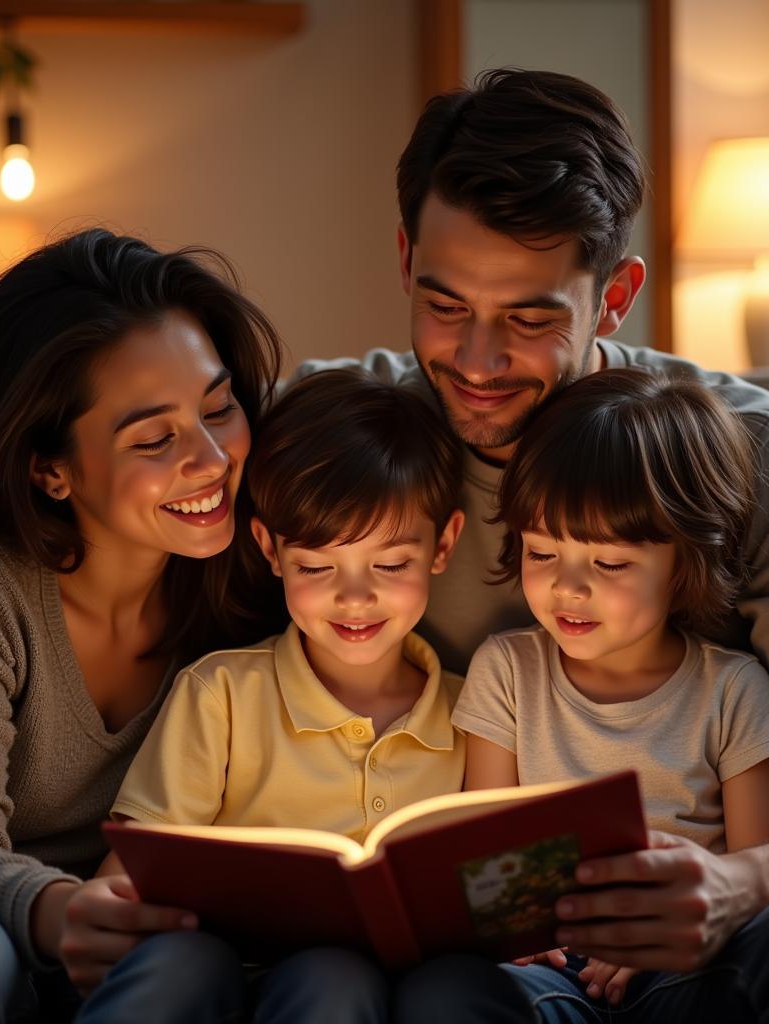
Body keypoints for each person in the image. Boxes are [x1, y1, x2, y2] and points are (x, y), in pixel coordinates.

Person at [0, 68, 769, 1021]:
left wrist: (744, 879)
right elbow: (111, 482)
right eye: (443, 304)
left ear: (613, 295)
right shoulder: (331, 438)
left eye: (526, 318)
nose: (475, 361)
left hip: (696, 927)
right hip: (451, 967)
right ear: (403, 259)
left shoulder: (756, 456)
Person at [0, 227, 288, 1022]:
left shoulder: (255, 572)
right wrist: (63, 912)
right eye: (155, 438)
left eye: (219, 408)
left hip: (106, 956)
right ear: (48, 468)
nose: (212, 458)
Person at [97, 367, 467, 1020]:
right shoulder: (222, 695)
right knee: (326, 979)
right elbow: (134, 866)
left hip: (402, 984)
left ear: (444, 544)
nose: (355, 597)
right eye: (317, 567)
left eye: (390, 564)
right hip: (234, 974)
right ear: (270, 548)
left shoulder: (480, 712)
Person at [452, 368, 769, 1009]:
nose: (567, 587)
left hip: (682, 954)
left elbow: (754, 883)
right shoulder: (506, 671)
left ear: (684, 562)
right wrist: (513, 930)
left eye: (609, 562)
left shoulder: (732, 690)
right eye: (541, 552)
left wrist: (656, 936)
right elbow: (487, 852)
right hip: (546, 959)